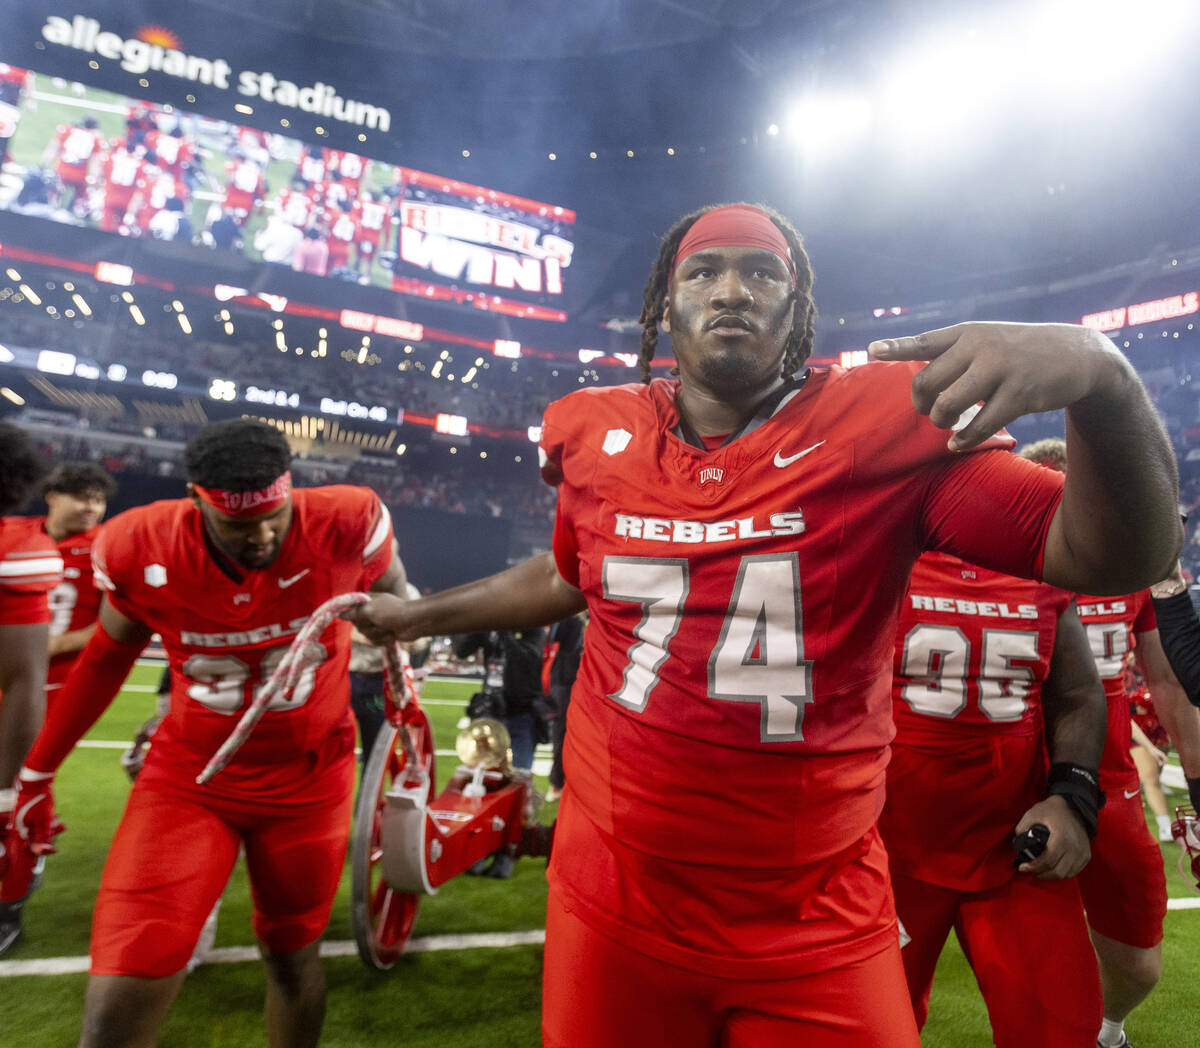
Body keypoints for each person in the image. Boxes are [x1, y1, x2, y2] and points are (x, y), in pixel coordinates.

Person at [347, 202, 1181, 1047]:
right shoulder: (597, 431)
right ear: (663, 308)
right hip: (613, 891)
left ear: (798, 308)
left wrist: (1103, 378)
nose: (732, 290)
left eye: (762, 272)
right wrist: (416, 613)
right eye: (703, 272)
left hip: (813, 907)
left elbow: (1111, 556)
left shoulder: (885, 426)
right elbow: (568, 575)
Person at [10, 419, 407, 1047]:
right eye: (238, 525)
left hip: (311, 778)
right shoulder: (140, 542)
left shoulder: (348, 518)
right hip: (190, 781)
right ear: (198, 501)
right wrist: (35, 771)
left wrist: (400, 621)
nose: (264, 536)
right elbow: (106, 659)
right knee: (124, 984)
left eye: (273, 516)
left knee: (290, 954)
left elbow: (397, 593)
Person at [879, 549, 1106, 1047]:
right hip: (883, 851)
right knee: (865, 1032)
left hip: (1015, 847)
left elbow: (1078, 692)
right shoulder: (879, 537)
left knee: (1062, 1030)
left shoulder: (1041, 557)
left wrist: (1073, 793)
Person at [1020, 438, 1200, 1048]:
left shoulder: (1132, 564)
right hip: (1005, 779)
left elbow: (1171, 682)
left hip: (1108, 777)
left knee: (1141, 964)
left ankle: (1109, 1032)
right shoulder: (993, 556)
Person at [0, 422, 62, 956]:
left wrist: (10, 780)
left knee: (6, 812)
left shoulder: (17, 548)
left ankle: (7, 908)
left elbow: (20, 677)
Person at [39, 463, 117, 702]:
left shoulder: (107, 546)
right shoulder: (21, 537)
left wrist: (56, 644)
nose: (91, 508)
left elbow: (120, 623)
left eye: (98, 501)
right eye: (82, 498)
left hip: (65, 674)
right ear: (52, 497)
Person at [544, 613, 585, 803]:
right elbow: (554, 636)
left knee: (578, 735)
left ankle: (567, 782)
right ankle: (557, 782)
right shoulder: (572, 621)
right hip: (566, 682)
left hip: (583, 682)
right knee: (561, 733)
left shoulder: (591, 619)